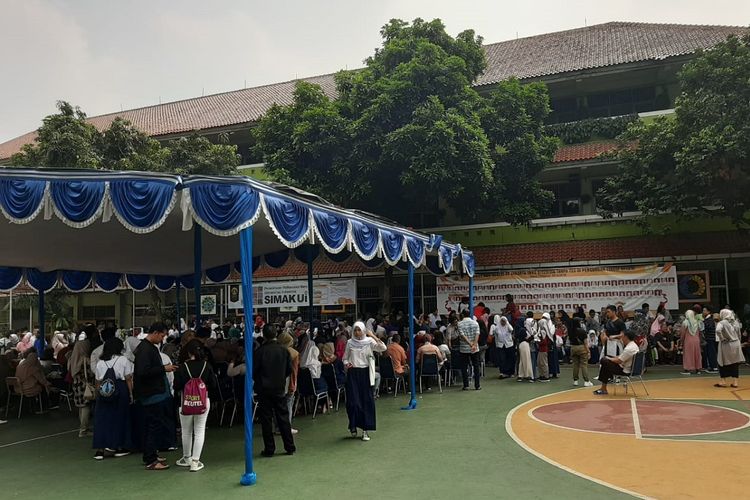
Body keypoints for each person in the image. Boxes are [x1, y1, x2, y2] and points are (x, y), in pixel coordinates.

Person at [133, 322, 178, 470]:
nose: (163, 338)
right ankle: (151, 460)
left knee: (152, 425)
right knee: (154, 426)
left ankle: (150, 454)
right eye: (162, 335)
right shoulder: (145, 350)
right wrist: (163, 368)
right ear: (156, 332)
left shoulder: (148, 348)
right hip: (152, 394)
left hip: (155, 392)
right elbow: (143, 372)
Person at [174, 340, 217, 471]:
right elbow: (214, 384)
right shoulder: (206, 366)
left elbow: (176, 386)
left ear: (188, 352)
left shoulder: (182, 367)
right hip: (203, 402)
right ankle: (195, 461)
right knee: (199, 431)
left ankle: (186, 458)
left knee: (186, 431)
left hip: (185, 402)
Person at [254, 324, 295, 456]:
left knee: (266, 420)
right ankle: (290, 446)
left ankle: (269, 449)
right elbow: (289, 369)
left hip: (264, 389)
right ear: (276, 334)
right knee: (283, 417)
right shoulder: (284, 351)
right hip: (279, 388)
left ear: (263, 335)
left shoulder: (260, 352)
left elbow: (254, 371)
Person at [343, 321, 386, 441]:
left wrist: (372, 335)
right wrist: (347, 364)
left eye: (359, 330)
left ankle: (365, 430)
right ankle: (353, 425)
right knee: (353, 402)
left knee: (366, 401)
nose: (357, 333)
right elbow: (345, 358)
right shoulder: (350, 342)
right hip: (353, 373)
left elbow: (383, 347)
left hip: (366, 373)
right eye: (355, 330)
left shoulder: (369, 341)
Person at [93, 338, 133, 460]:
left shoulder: (100, 363)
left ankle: (100, 449)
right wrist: (131, 394)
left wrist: (99, 395)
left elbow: (97, 382)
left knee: (103, 420)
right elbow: (128, 379)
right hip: (120, 391)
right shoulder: (123, 360)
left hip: (105, 391)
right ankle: (119, 447)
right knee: (120, 419)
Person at [593, 330, 639, 395]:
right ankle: (604, 387)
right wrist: (611, 358)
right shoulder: (634, 346)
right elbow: (620, 357)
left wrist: (609, 358)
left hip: (625, 370)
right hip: (628, 367)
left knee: (604, 361)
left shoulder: (629, 349)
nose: (621, 338)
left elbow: (619, 361)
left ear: (626, 337)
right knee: (606, 362)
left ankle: (604, 388)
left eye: (622, 337)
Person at [715, 309, 745, 388]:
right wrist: (739, 342)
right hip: (736, 343)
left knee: (723, 362)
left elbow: (718, 330)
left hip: (727, 344)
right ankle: (735, 382)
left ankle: (723, 381)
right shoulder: (736, 322)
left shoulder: (721, 323)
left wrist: (722, 338)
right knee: (735, 363)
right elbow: (739, 334)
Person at [278, 332, 300, 435]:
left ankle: (278, 427)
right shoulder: (294, 353)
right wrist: (294, 384)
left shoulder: (276, 351)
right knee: (288, 404)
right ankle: (287, 427)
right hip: (288, 382)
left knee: (277, 406)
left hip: (276, 382)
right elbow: (294, 371)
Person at [457, 310, 481, 391]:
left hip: (464, 349)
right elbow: (477, 334)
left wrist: (470, 344)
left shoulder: (460, 324)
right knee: (476, 366)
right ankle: (477, 385)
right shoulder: (475, 323)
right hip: (475, 348)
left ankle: (466, 385)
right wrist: (474, 345)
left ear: (463, 315)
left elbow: (462, 335)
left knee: (464, 367)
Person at [680, 310, 703, 375]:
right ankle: (698, 369)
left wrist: (681, 341)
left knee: (688, 355)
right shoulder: (697, 322)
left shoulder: (685, 322)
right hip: (696, 340)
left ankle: (689, 369)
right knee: (697, 354)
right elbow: (700, 332)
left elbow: (683, 334)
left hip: (688, 341)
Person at [536, 313, 553, 382]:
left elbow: (544, 342)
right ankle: (542, 375)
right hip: (541, 349)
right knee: (540, 363)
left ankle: (546, 376)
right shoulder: (541, 331)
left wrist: (538, 342)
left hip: (543, 349)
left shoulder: (543, 332)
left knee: (543, 363)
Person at [516, 317, 534, 382]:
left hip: (522, 344)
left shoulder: (519, 329)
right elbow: (526, 339)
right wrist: (533, 336)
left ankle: (521, 375)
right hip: (524, 344)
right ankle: (528, 375)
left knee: (522, 360)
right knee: (527, 360)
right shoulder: (523, 330)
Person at [703, 306, 718, 372]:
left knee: (711, 353)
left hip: (710, 338)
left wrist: (702, 324)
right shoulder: (708, 319)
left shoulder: (710, 319)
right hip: (709, 338)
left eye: (704, 310)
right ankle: (712, 366)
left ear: (708, 312)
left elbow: (708, 327)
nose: (703, 312)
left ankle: (714, 367)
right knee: (710, 353)